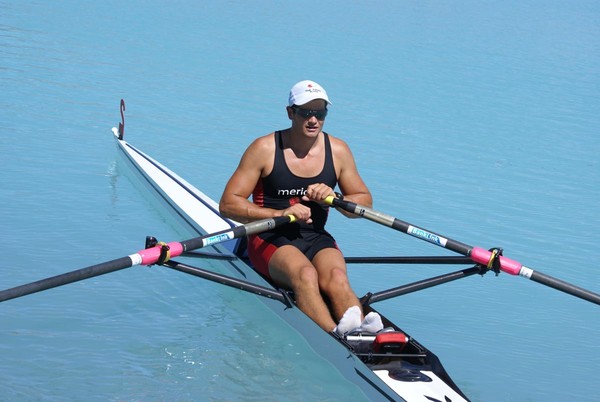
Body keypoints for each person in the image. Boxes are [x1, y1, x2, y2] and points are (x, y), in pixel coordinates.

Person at [219, 80, 383, 336]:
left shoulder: (338, 150)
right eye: (306, 112)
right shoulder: (264, 148)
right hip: (269, 236)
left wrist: (336, 198)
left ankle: (362, 336)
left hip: (315, 237)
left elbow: (364, 204)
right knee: (306, 275)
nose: (313, 120)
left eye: (320, 113)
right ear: (290, 113)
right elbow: (228, 204)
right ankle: (335, 335)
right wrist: (280, 214)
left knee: (337, 278)